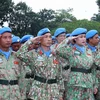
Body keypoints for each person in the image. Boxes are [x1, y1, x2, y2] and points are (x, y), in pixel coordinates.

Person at [16, 28, 64, 100]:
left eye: (50, 37)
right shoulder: (33, 54)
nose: (49, 39)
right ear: (39, 39)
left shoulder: (55, 55)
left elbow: (59, 76)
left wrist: (60, 94)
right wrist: (31, 41)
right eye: (45, 37)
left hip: (53, 92)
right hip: (38, 92)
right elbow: (19, 54)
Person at [55, 28, 98, 100]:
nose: (83, 39)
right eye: (81, 37)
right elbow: (58, 50)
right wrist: (68, 39)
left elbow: (93, 68)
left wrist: (95, 84)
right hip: (75, 83)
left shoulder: (88, 51)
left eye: (84, 37)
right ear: (75, 39)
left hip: (88, 83)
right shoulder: (70, 50)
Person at [0, 27, 22, 100]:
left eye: (10, 37)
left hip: (15, 94)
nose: (8, 40)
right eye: (5, 37)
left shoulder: (16, 56)